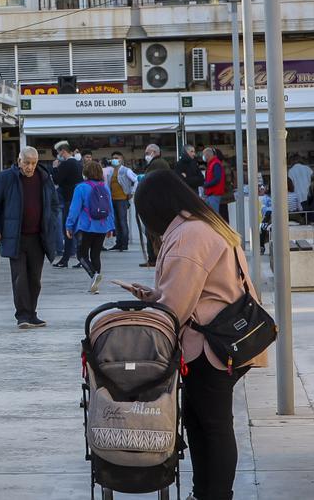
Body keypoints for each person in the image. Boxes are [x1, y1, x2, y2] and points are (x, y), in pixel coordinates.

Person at [127, 170, 264, 500]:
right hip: (222, 340)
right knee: (202, 422)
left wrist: (153, 311)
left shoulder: (188, 235)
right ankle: (205, 492)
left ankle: (213, 494)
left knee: (212, 426)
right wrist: (154, 296)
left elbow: (177, 304)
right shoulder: (205, 224)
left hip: (209, 347)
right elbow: (197, 290)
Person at [0, 147, 63, 329]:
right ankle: (22, 316)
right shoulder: (6, 178)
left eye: (33, 163)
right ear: (19, 161)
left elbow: (54, 204)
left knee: (34, 278)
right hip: (15, 237)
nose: (30, 167)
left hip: (38, 237)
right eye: (27, 163)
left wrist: (51, 223)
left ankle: (32, 313)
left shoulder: (44, 177)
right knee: (20, 278)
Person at [65, 161, 115, 295]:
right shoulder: (105, 187)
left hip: (85, 226)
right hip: (102, 226)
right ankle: (95, 285)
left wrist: (69, 225)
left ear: (85, 173)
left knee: (81, 255)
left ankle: (94, 276)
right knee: (95, 255)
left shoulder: (81, 188)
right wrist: (111, 227)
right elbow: (110, 208)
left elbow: (74, 209)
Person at [51, 141, 84, 269]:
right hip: (76, 200)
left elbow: (56, 179)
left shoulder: (66, 164)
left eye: (58, 152)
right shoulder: (77, 163)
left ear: (63, 151)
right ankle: (79, 258)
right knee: (75, 231)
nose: (58, 155)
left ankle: (66, 259)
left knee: (68, 231)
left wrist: (54, 168)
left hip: (68, 200)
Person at [103, 152, 138, 252]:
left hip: (122, 199)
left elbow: (136, 180)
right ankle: (118, 243)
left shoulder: (126, 170)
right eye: (113, 158)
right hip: (113, 199)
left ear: (121, 159)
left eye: (116, 158)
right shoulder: (111, 171)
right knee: (116, 222)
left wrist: (132, 192)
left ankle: (124, 243)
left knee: (122, 221)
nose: (114, 159)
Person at [202, 147, 227, 216]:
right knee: (211, 216)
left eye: (204, 155)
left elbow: (217, 179)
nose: (203, 157)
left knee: (214, 216)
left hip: (214, 194)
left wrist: (206, 185)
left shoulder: (215, 164)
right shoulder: (212, 164)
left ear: (207, 155)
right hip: (210, 194)